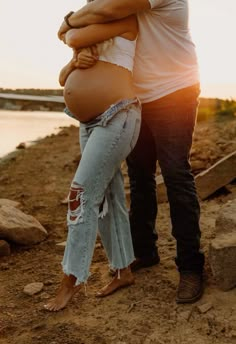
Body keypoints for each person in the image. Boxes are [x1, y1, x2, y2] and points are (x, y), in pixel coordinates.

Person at [57, 0, 205, 304]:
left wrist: (69, 21)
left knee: (176, 174)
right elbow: (92, 21)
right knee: (139, 177)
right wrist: (75, 35)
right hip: (137, 97)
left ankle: (191, 267)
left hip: (174, 91)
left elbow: (104, 12)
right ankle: (145, 251)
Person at [44, 6, 141, 311]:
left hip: (118, 116)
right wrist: (74, 62)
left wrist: (68, 27)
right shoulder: (97, 34)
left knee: (81, 194)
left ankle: (70, 280)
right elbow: (63, 78)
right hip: (87, 123)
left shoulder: (126, 17)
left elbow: (71, 35)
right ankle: (123, 270)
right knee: (109, 197)